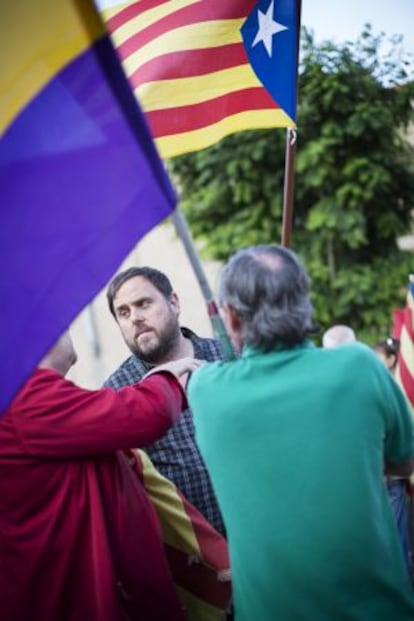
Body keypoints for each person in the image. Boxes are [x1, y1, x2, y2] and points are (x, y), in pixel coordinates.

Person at [188, 244, 414, 621]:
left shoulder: (206, 390)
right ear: (304, 303)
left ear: (230, 315)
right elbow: (404, 461)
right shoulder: (359, 365)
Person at [0, 331, 201, 621]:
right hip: (79, 597)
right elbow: (139, 415)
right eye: (62, 326)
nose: (68, 330)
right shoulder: (21, 394)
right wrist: (167, 378)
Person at [104, 266, 225, 534]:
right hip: (192, 559)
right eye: (124, 312)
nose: (135, 318)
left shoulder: (229, 358)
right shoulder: (116, 394)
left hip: (258, 537)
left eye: (143, 304)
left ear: (174, 302)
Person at [374, 336, 413, 579]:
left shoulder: (395, 387)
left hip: (394, 471)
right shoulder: (384, 384)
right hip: (386, 470)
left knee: (397, 528)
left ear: (391, 360)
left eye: (380, 359)